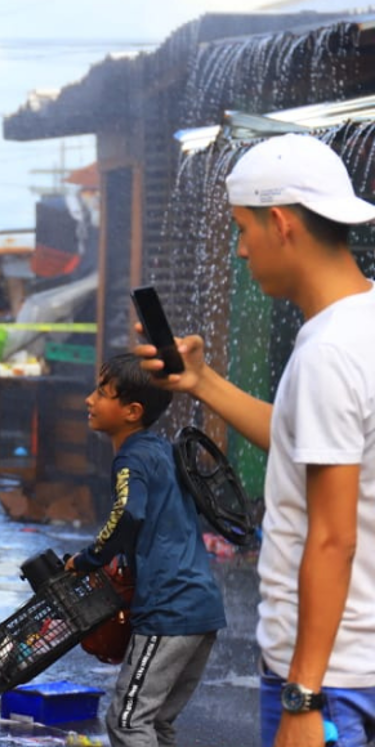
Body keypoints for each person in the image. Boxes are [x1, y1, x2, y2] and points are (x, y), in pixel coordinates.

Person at [135, 134, 375, 747]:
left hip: (333, 672)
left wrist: (304, 694)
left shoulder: (330, 351)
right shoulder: (359, 326)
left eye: (243, 230)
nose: (240, 250)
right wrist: (203, 381)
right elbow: (305, 443)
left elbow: (332, 537)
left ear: (280, 223)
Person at [64, 353, 226, 745]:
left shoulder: (132, 457)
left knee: (127, 721)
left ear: (132, 411)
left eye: (102, 393)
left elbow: (128, 513)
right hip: (201, 607)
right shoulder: (159, 449)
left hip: (168, 610)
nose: (89, 400)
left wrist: (89, 559)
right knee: (156, 723)